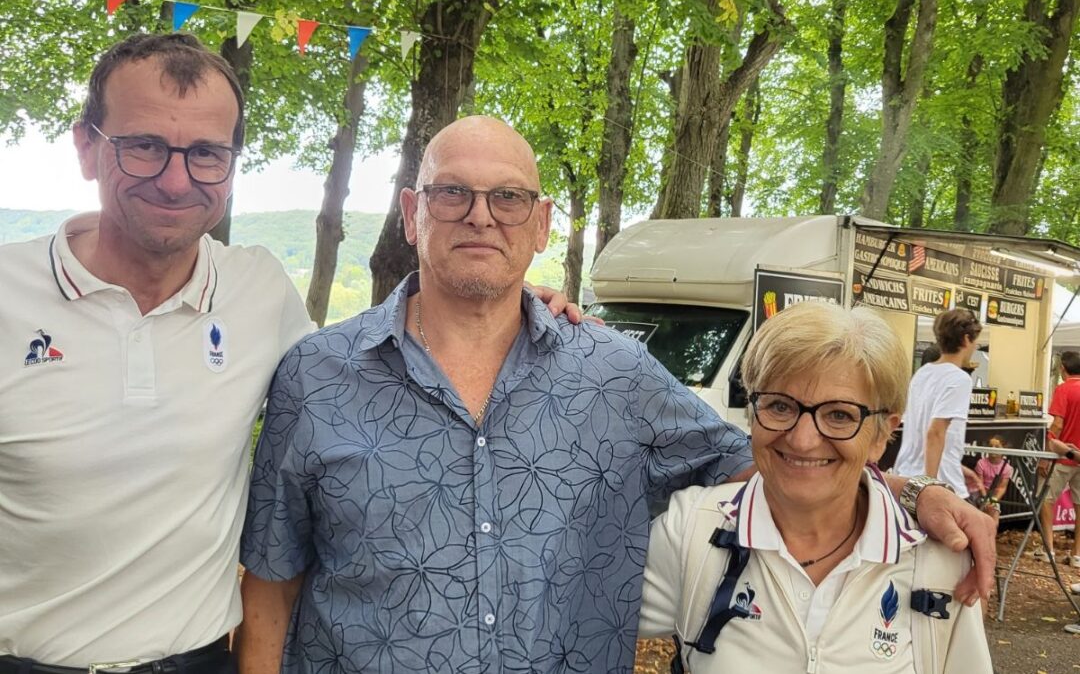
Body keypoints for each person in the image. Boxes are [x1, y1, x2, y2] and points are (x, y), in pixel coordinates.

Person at [236, 116, 997, 673]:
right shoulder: (317, 374)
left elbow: (770, 456)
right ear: (410, 213)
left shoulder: (612, 371)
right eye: (451, 193)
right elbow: (271, 584)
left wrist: (914, 491)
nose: (479, 215)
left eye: (507, 198)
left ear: (539, 225)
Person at [0, 35, 581, 672]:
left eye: (206, 153)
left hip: (199, 662)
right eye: (143, 147)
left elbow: (371, 369)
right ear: (87, 147)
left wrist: (504, 301)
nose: (175, 178)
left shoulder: (257, 292)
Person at [639, 302, 992, 673]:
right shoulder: (690, 531)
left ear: (881, 434)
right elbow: (581, 605)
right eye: (779, 406)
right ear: (752, 412)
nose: (803, 440)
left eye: (839, 415)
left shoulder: (938, 562)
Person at [894, 309, 982, 497]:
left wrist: (956, 466)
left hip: (908, 477)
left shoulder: (923, 373)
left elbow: (921, 431)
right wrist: (930, 488)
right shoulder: (959, 379)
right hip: (940, 485)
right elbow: (935, 432)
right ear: (966, 339)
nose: (975, 347)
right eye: (975, 341)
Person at [1035, 351, 1080, 566]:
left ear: (1063, 368)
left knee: (1046, 499)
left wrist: (1045, 455)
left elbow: (1057, 425)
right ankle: (1077, 554)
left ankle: (1049, 549)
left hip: (1062, 457)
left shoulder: (1064, 389)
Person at [973, 435, 1013, 526]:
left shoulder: (1007, 468)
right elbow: (979, 483)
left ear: (1004, 449)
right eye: (991, 446)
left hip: (993, 497)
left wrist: (994, 500)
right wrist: (984, 498)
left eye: (997, 447)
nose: (993, 449)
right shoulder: (981, 463)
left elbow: (1002, 488)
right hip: (979, 495)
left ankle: (991, 537)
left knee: (994, 517)